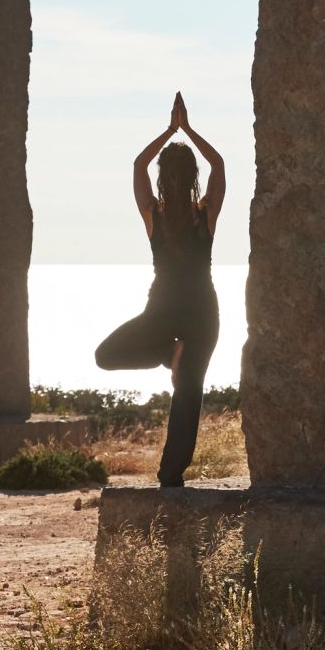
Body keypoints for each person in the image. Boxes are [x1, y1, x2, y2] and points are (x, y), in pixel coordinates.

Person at [94, 92, 224, 487]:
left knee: (106, 355)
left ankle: (169, 353)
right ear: (193, 177)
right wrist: (188, 130)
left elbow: (137, 164)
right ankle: (170, 476)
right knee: (188, 393)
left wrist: (170, 129)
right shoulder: (206, 216)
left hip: (161, 313)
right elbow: (218, 163)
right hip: (202, 312)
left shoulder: (155, 216)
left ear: (163, 178)